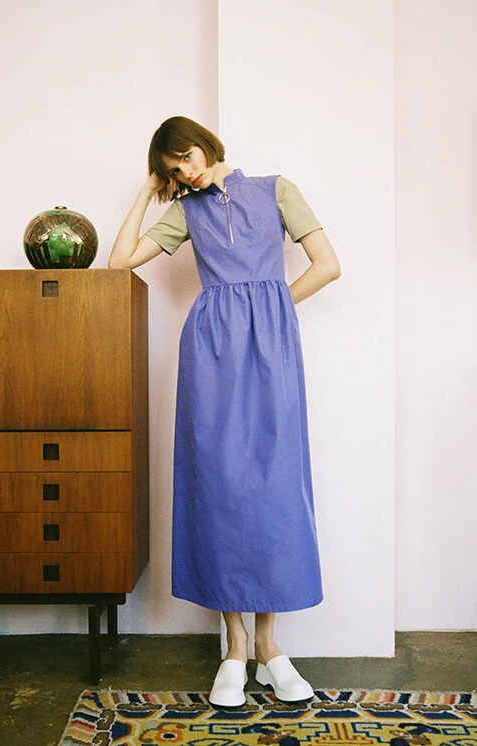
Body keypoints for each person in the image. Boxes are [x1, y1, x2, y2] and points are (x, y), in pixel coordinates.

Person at [109, 116, 340, 708]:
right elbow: (119, 262)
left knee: (273, 486)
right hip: (210, 350)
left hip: (271, 348)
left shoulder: (276, 189)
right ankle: (235, 645)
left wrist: (272, 306)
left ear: (205, 144)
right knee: (220, 486)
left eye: (186, 157)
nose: (186, 172)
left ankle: (269, 644)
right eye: (172, 169)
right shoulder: (186, 212)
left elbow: (327, 264)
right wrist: (147, 191)